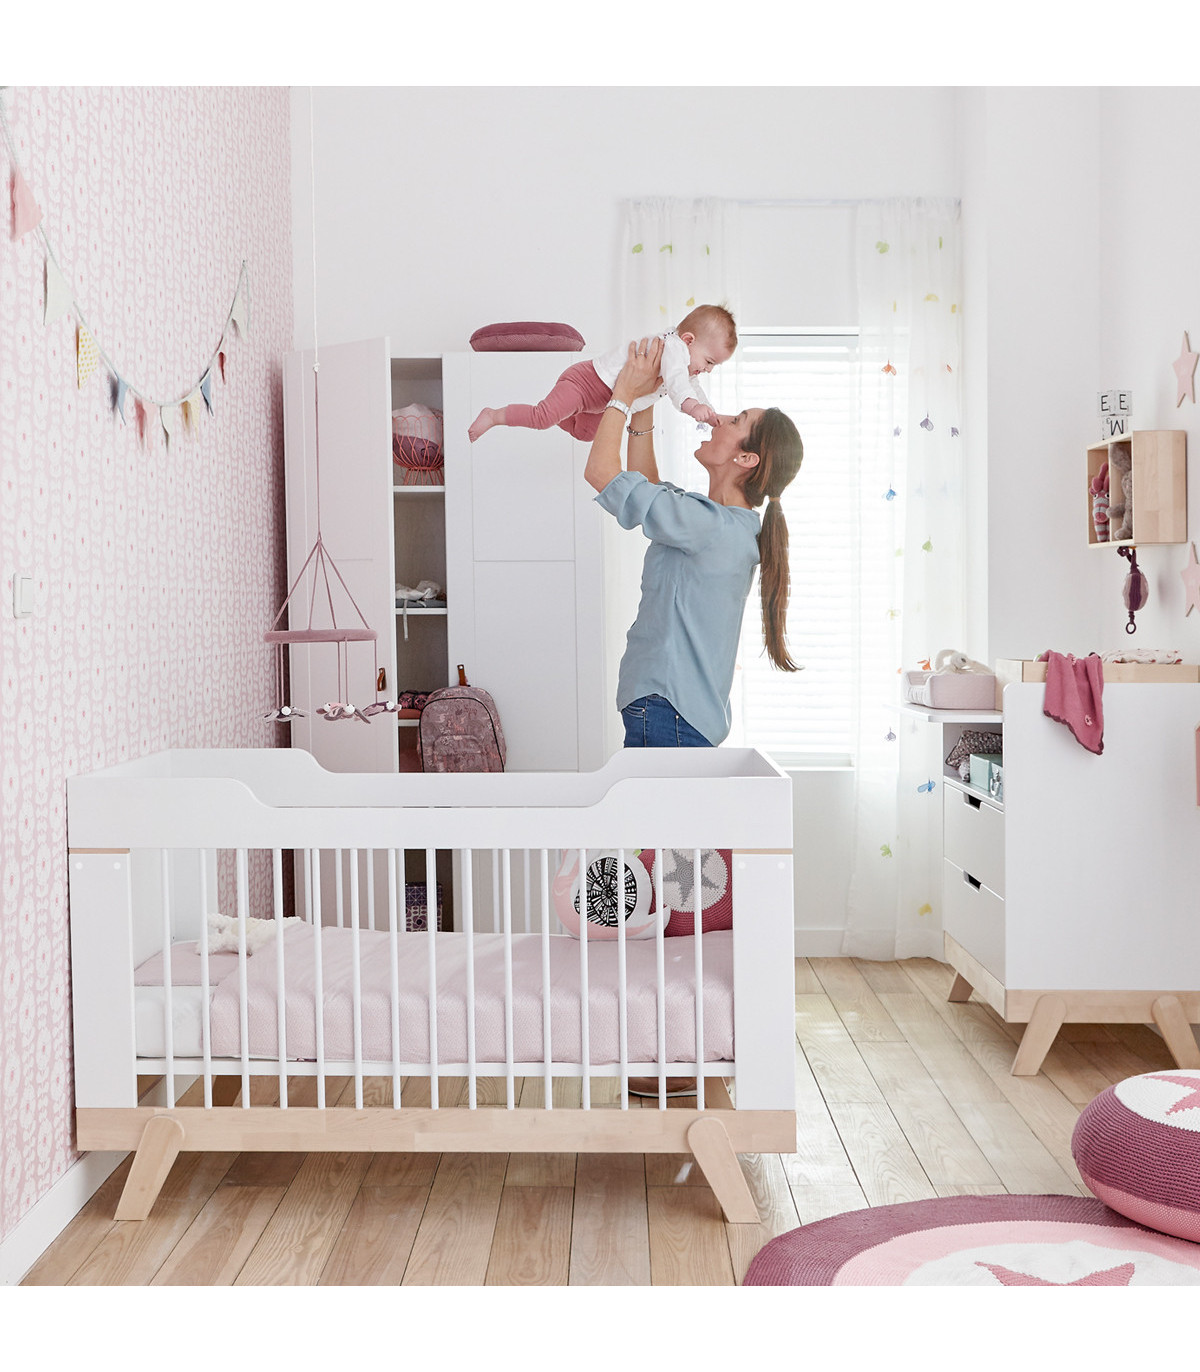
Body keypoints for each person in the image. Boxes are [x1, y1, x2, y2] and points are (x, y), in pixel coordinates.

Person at [586, 335, 804, 1098]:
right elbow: (648, 488)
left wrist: (621, 393)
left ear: (745, 458)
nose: (716, 416)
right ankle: (678, 1048)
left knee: (659, 886)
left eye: (733, 420)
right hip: (679, 719)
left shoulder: (712, 526)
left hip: (667, 719)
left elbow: (603, 475)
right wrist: (650, 406)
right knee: (675, 884)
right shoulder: (719, 524)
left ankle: (670, 1054)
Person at [467, 303, 736, 444]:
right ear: (688, 340)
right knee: (542, 418)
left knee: (586, 433)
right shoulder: (674, 349)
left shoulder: (685, 360)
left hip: (604, 403)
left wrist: (710, 412)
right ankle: (494, 415)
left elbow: (692, 387)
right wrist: (692, 407)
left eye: (714, 366)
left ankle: (561, 412)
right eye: (709, 361)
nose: (708, 370)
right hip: (584, 382)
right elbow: (679, 385)